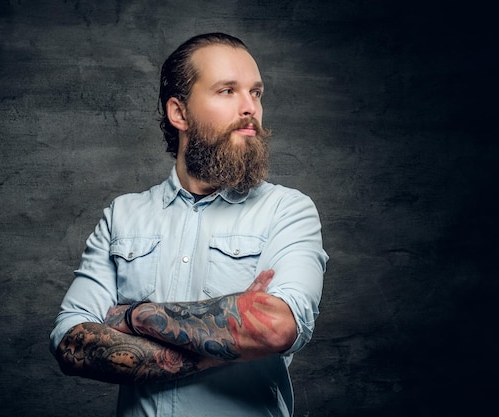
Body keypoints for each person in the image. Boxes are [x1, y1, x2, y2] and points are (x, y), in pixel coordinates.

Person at [49, 32, 328, 417]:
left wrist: (131, 317)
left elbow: (274, 328)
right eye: (227, 91)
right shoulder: (123, 215)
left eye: (256, 93)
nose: (249, 107)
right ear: (179, 113)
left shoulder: (288, 210)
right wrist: (229, 339)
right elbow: (71, 342)